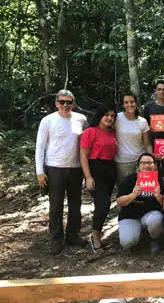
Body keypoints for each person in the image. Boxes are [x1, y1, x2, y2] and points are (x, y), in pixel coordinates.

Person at [35, 90, 88, 255]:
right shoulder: (48, 120)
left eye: (69, 102)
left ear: (73, 103)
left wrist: (88, 171)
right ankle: (56, 240)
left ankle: (72, 235)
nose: (65, 105)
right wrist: (40, 172)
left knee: (75, 204)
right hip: (54, 167)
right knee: (56, 205)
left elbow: (86, 145)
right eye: (62, 102)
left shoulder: (81, 119)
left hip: (75, 168)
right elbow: (40, 146)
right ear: (56, 103)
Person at [80, 105, 118, 252]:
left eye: (112, 116)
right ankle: (95, 236)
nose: (109, 118)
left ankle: (98, 233)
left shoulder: (113, 132)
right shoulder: (90, 132)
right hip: (95, 169)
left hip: (110, 169)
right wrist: (88, 177)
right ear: (100, 116)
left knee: (105, 204)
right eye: (106, 115)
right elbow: (83, 155)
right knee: (102, 204)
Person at [116, 153, 164, 254]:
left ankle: (154, 240)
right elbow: (119, 202)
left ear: (155, 165)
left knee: (156, 219)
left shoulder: (160, 180)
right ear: (138, 166)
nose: (147, 165)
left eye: (150, 163)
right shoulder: (130, 179)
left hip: (150, 215)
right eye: (143, 163)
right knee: (127, 242)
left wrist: (158, 195)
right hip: (130, 216)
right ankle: (137, 236)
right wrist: (133, 195)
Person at [115, 93, 153, 185]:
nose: (129, 105)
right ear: (123, 105)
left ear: (136, 103)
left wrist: (152, 160)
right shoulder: (116, 118)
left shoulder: (142, 121)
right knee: (124, 190)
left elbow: (147, 144)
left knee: (143, 190)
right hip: (123, 162)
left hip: (140, 161)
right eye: (126, 102)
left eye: (132, 102)